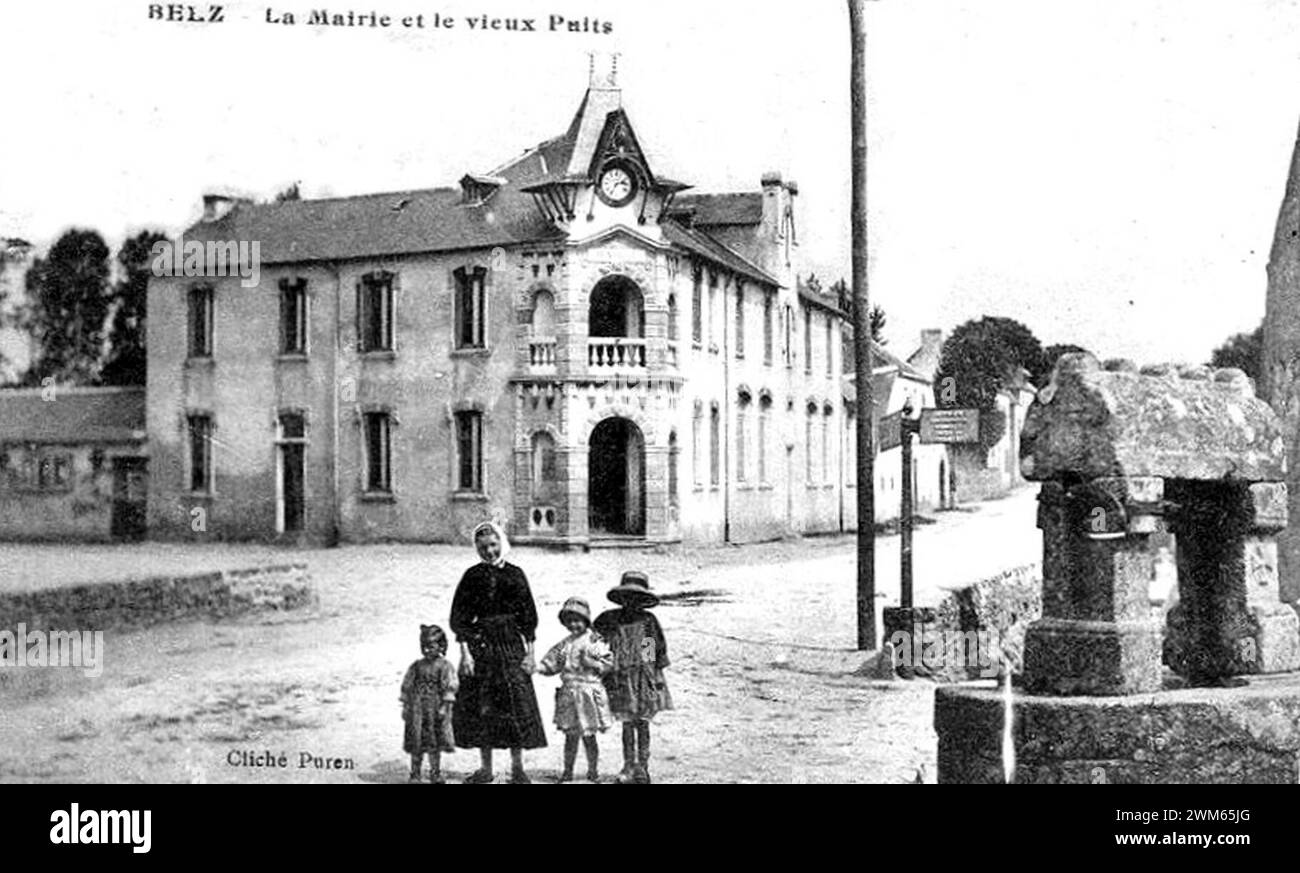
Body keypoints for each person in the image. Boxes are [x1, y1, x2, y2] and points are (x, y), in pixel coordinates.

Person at [449, 521, 547, 784]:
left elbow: (529, 617)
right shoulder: (472, 576)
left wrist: (530, 654)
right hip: (482, 648)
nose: (489, 552)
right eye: (483, 548)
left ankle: (518, 769)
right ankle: (487, 769)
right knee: (484, 708)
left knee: (515, 704)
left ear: (502, 543)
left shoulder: (516, 574)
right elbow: (460, 618)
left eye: (493, 545)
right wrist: (465, 654)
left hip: (511, 646)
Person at [593, 571, 673, 784]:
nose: (632, 603)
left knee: (643, 722)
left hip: (642, 677)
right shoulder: (611, 619)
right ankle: (628, 764)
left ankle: (643, 767)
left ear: (643, 601)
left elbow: (653, 650)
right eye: (628, 597)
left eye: (637, 599)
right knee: (627, 723)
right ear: (621, 598)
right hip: (620, 678)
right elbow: (595, 639)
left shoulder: (648, 620)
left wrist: (653, 676)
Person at [537, 596, 614, 782]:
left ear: (586, 621)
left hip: (591, 690)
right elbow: (550, 663)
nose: (574, 625)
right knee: (570, 736)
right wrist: (537, 668)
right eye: (570, 621)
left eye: (578, 621)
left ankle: (596, 770)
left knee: (590, 736)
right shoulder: (565, 644)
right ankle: (568, 771)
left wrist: (593, 663)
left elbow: (609, 663)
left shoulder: (596, 641)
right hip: (570, 692)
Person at [400, 624, 458, 784]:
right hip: (417, 709)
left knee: (434, 743)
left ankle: (435, 773)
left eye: (430, 646)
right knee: (416, 742)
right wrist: (406, 705)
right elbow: (407, 685)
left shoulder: (445, 666)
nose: (426, 650)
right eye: (423, 646)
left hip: (435, 709)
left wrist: (445, 707)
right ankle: (415, 774)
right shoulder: (416, 666)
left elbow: (449, 688)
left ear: (441, 646)